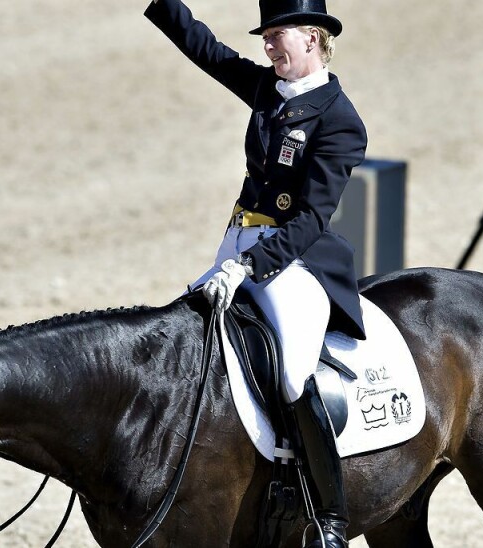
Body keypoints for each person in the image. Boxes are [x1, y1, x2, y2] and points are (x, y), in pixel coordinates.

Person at [145, 0, 366, 546]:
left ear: (313, 38)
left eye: (278, 36)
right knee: (185, 339)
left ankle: (328, 515)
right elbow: (210, 54)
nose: (267, 46)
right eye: (264, 37)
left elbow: (313, 217)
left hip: (294, 260)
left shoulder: (340, 120)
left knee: (292, 371)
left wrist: (249, 266)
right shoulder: (269, 89)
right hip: (238, 242)